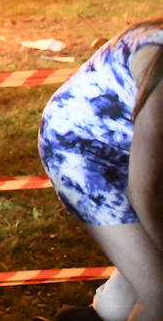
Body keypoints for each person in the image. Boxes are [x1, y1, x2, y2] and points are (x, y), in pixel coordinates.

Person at [39, 21, 163, 320]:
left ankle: (98, 314)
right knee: (160, 292)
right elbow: (143, 191)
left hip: (128, 144)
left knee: (147, 263)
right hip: (79, 149)